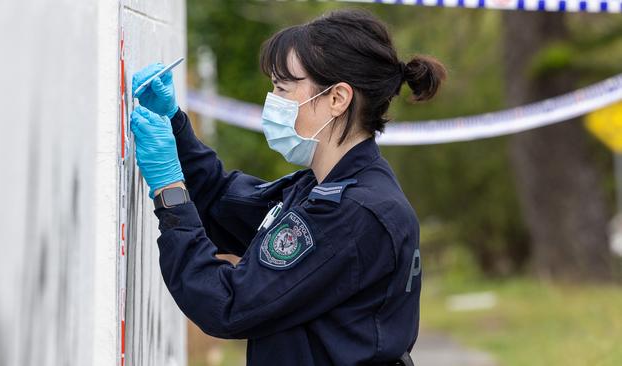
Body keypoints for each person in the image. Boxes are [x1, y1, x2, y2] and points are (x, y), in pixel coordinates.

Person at [129, 8, 446, 366]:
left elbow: (227, 303)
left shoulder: (355, 213)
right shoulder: (323, 187)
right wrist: (175, 127)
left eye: (283, 87)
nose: (272, 101)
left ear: (337, 99)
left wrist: (169, 188)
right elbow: (222, 203)